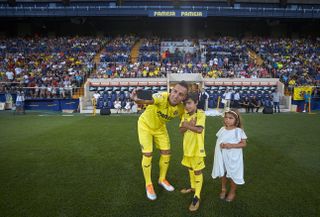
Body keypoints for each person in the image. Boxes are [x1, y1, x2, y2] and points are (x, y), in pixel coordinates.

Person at [131, 81, 188, 200]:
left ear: (184, 97)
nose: (176, 96)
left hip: (160, 128)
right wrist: (136, 99)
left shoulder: (181, 108)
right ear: (171, 91)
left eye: (181, 94)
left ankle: (162, 179)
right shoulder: (162, 97)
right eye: (175, 91)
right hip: (145, 125)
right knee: (148, 154)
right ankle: (148, 184)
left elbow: (186, 119)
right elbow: (148, 101)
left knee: (166, 153)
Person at [211, 109, 247, 202]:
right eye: (226, 117)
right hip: (222, 155)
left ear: (236, 120)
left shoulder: (238, 131)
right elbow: (219, 141)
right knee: (222, 172)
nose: (227, 120)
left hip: (233, 157)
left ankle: (232, 191)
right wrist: (218, 150)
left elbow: (243, 144)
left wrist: (231, 145)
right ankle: (223, 189)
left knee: (232, 174)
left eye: (231, 118)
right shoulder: (222, 129)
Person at [179, 93, 206, 212]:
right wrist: (189, 125)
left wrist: (187, 126)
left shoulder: (200, 114)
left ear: (196, 102)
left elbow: (199, 130)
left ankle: (197, 196)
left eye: (189, 103)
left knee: (197, 170)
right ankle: (193, 187)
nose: (187, 106)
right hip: (187, 147)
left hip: (197, 149)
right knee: (190, 168)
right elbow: (181, 130)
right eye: (185, 104)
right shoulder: (184, 114)